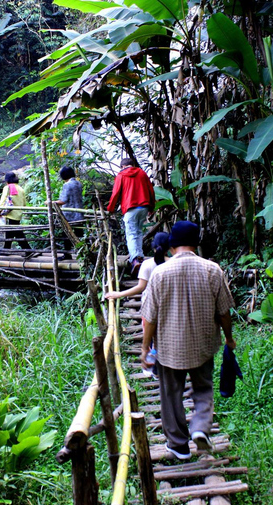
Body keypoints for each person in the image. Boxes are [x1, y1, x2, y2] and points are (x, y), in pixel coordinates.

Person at [140, 221, 235, 460]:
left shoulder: (160, 273)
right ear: (196, 243)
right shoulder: (213, 270)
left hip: (170, 349)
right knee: (203, 389)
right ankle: (201, 428)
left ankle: (178, 444)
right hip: (203, 345)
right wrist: (229, 338)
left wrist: (145, 348)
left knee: (171, 395)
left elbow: (149, 317)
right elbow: (224, 312)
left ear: (171, 246)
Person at [106, 157, 155, 276]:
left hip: (130, 208)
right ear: (132, 165)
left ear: (122, 166)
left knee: (131, 233)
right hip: (144, 207)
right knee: (137, 232)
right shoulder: (142, 173)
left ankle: (135, 259)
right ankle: (139, 256)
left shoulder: (121, 175)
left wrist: (110, 209)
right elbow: (151, 191)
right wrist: (152, 208)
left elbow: (116, 193)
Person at [104, 232, 170, 300]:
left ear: (153, 246)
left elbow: (141, 287)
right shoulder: (175, 263)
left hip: (151, 302)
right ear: (169, 247)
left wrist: (119, 294)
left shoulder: (147, 264)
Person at [50, 165, 84, 257]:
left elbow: (63, 201)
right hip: (79, 213)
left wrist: (50, 202)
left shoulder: (67, 185)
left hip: (69, 215)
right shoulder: (78, 183)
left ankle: (67, 254)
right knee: (79, 234)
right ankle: (83, 253)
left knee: (66, 234)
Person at [0, 172, 33, 252]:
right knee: (11, 232)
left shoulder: (7, 188)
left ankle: (28, 250)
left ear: (7, 180)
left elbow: (2, 201)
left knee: (16, 233)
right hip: (18, 214)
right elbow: (24, 204)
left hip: (11, 214)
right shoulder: (21, 189)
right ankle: (7, 250)